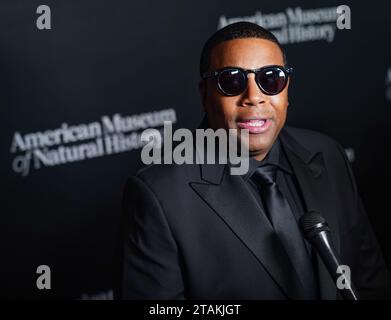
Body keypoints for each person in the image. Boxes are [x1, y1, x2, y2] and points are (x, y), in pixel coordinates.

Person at [118, 22, 390, 299]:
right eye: (232, 81)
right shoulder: (159, 195)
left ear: (286, 90)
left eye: (271, 79)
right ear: (204, 93)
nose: (254, 97)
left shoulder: (327, 153)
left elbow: (369, 281)